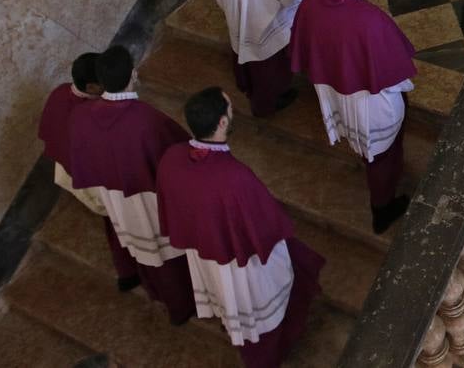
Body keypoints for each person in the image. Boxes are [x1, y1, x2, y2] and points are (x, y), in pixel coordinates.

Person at [157, 88, 323, 368]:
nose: (233, 113)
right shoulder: (235, 178)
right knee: (254, 309)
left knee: (228, 302)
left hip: (204, 250)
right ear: (222, 123)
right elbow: (264, 226)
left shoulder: (173, 157)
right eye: (230, 109)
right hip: (235, 261)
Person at [290, 0, 417, 234]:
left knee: (367, 146)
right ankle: (382, 209)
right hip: (370, 103)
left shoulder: (310, 4)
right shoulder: (369, 19)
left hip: (333, 93)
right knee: (382, 156)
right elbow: (397, 73)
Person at [67, 46, 195, 325]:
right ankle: (183, 305)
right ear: (132, 75)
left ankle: (160, 295)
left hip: (114, 198)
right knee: (167, 255)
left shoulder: (81, 115)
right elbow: (181, 154)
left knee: (141, 249)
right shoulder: (147, 120)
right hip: (148, 199)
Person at [37, 51, 140, 292]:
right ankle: (129, 270)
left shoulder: (60, 91)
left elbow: (47, 132)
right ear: (93, 86)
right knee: (121, 218)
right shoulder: (90, 114)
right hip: (90, 176)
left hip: (67, 167)